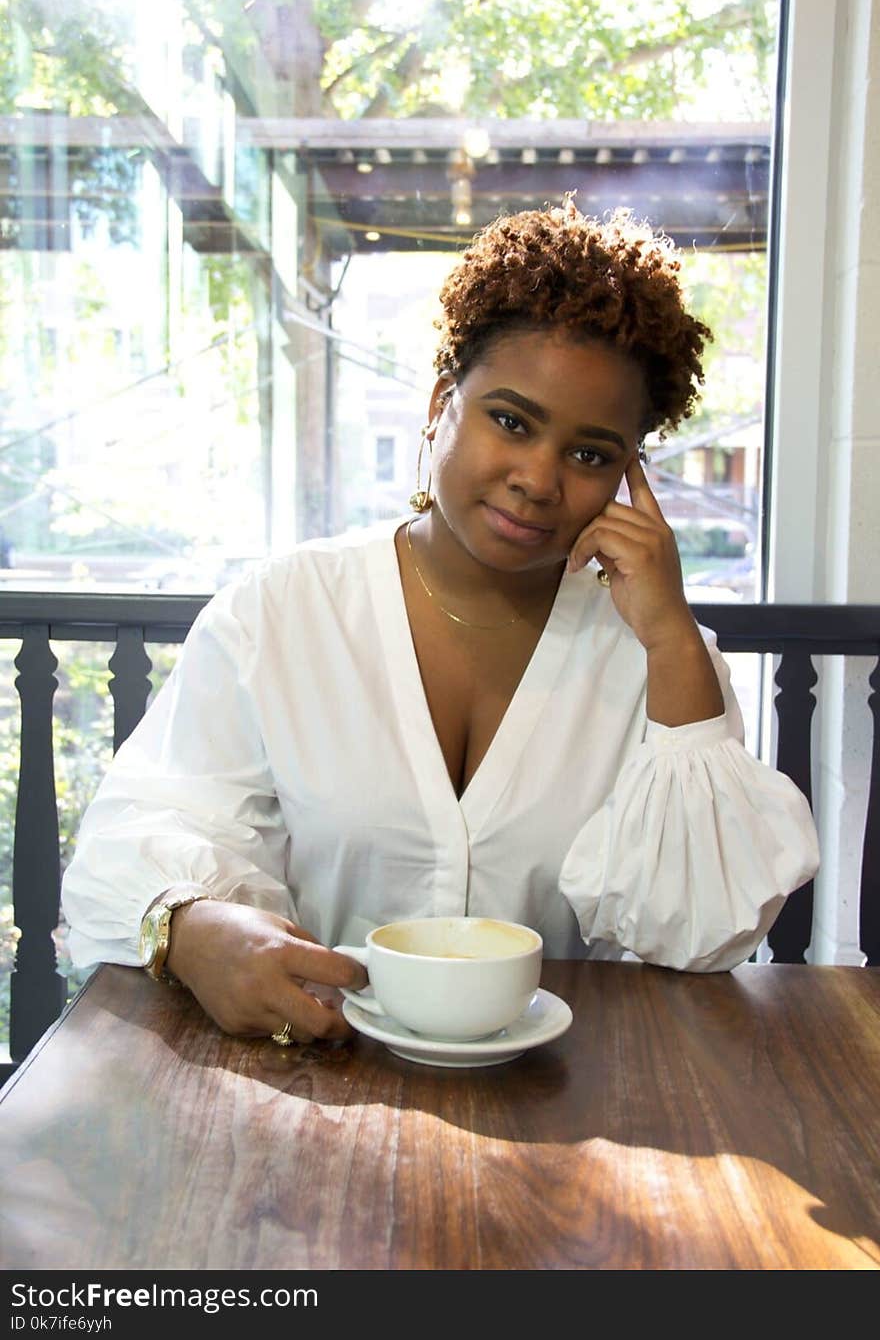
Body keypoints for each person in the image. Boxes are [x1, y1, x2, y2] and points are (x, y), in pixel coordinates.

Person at [61, 197, 819, 1046]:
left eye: (590, 453)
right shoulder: (282, 615)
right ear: (439, 403)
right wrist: (194, 931)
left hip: (572, 1106)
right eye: (510, 421)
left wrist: (673, 637)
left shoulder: (659, 660)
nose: (539, 478)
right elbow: (148, 827)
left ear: (629, 480)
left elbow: (706, 939)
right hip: (317, 1074)